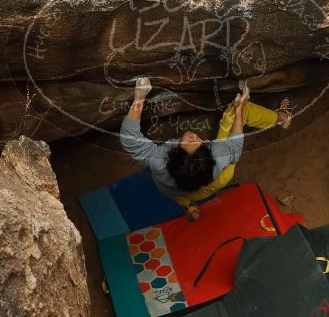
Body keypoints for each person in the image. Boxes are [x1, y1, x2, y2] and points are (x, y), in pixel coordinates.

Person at [120, 77, 292, 220]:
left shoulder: (158, 162)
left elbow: (130, 139)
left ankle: (190, 207)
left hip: (182, 190)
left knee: (173, 190)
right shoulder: (218, 156)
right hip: (218, 180)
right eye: (198, 144)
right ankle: (282, 118)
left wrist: (139, 98)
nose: (194, 137)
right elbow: (236, 145)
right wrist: (239, 110)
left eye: (190, 143)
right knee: (237, 111)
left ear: (171, 158)